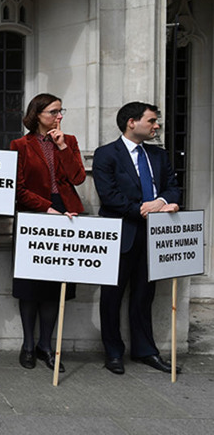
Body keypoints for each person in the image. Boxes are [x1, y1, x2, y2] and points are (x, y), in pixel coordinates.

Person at [93, 101, 180, 374]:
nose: (156, 126)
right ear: (132, 122)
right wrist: (143, 209)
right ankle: (113, 353)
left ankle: (145, 350)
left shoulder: (158, 155)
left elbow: (173, 188)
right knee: (112, 296)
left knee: (144, 295)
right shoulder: (107, 154)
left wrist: (162, 202)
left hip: (154, 235)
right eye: (151, 120)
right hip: (121, 233)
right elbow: (109, 196)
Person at [10, 94, 85, 372]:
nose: (59, 116)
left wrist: (62, 146)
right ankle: (28, 345)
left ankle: (46, 346)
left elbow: (78, 178)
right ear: (37, 114)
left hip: (66, 214)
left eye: (61, 111)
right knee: (30, 285)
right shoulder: (20, 145)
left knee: (56, 286)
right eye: (53, 111)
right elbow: (18, 188)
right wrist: (46, 208)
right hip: (34, 214)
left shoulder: (70, 141)